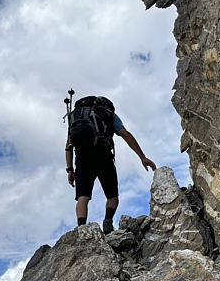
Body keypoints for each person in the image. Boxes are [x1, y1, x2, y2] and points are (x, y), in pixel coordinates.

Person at [65, 95, 156, 233]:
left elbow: (68, 146)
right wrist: (142, 157)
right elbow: (124, 134)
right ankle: (107, 224)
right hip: (103, 155)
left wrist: (70, 170)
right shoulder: (108, 114)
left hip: (82, 158)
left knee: (83, 197)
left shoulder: (76, 118)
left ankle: (81, 229)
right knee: (112, 196)